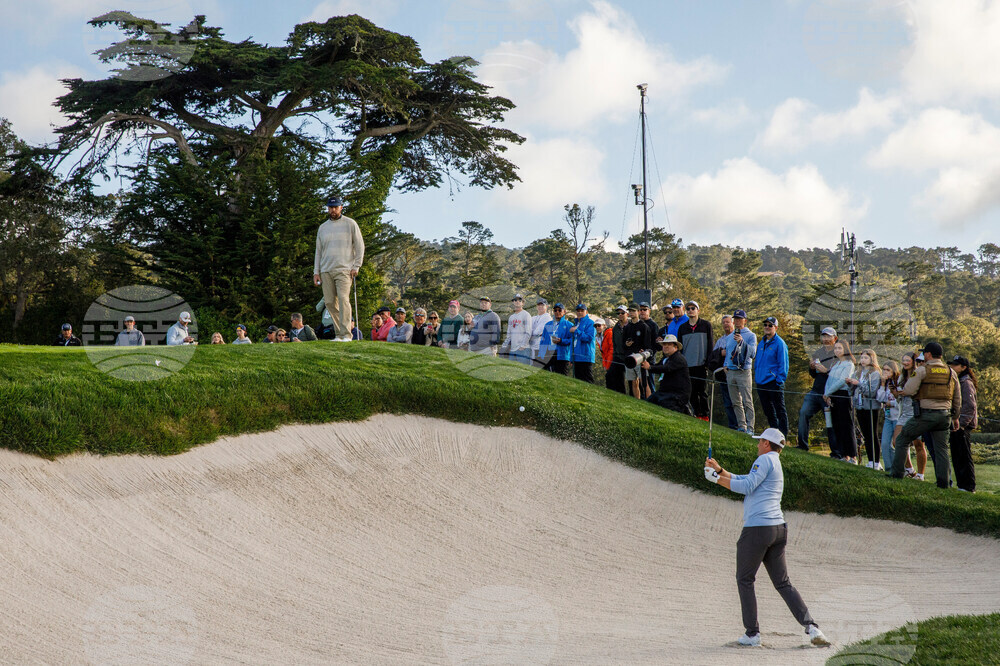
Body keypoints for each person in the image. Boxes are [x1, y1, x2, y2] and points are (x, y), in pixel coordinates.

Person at [704, 429, 830, 649]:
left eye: (759, 441)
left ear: (766, 443)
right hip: (778, 529)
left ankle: (752, 634)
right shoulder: (774, 461)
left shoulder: (763, 460)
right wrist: (721, 471)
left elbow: (746, 487)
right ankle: (812, 628)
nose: (757, 444)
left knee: (745, 579)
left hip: (757, 530)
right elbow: (747, 479)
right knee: (783, 583)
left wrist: (716, 480)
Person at [890, 342, 961, 489]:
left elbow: (909, 390)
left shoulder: (923, 369)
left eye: (925, 353)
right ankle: (944, 483)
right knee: (941, 449)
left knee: (902, 439)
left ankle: (897, 474)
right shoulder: (950, 371)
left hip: (926, 414)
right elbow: (957, 397)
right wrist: (955, 417)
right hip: (944, 416)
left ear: (928, 354)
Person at [313, 196, 365, 342]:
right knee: (329, 302)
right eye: (330, 207)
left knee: (343, 299)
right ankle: (339, 334)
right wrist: (316, 272)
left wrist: (357, 265)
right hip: (326, 270)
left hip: (344, 269)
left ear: (341, 207)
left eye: (336, 207)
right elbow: (318, 251)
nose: (333, 210)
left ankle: (347, 334)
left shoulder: (350, 223)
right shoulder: (322, 228)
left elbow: (360, 245)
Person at [797, 327, 839, 452]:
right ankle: (802, 445)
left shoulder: (838, 353)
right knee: (803, 413)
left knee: (831, 423)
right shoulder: (818, 353)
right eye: (823, 336)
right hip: (815, 391)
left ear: (835, 338)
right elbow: (814, 375)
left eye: (828, 337)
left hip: (831, 393)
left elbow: (840, 375)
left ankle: (836, 452)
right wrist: (811, 368)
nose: (825, 339)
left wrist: (826, 371)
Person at [676, 301, 713, 419]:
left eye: (693, 308)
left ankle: (705, 415)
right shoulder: (682, 328)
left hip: (701, 364)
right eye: (688, 309)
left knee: (703, 392)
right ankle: (696, 414)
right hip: (688, 365)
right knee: (691, 392)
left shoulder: (706, 325)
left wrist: (708, 362)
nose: (690, 310)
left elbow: (710, 345)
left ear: (698, 310)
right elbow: (680, 348)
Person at [846, 348, 882, 469]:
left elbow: (871, 392)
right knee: (866, 435)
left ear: (872, 359)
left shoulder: (876, 373)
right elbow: (851, 391)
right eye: (861, 357)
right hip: (860, 406)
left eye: (866, 357)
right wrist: (850, 384)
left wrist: (858, 384)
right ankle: (870, 460)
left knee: (872, 434)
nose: (863, 360)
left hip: (871, 407)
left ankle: (876, 462)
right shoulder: (858, 372)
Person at [893, 352, 926, 480]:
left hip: (916, 411)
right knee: (897, 441)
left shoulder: (918, 374)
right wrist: (894, 391)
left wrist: (907, 392)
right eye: (903, 360)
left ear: (913, 362)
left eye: (908, 360)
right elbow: (898, 397)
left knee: (918, 443)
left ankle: (920, 474)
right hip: (904, 411)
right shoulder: (901, 376)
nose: (905, 363)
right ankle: (909, 469)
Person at [824, 340, 858, 463]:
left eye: (840, 348)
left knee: (847, 425)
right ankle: (844, 454)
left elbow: (842, 381)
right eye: (836, 348)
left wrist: (828, 392)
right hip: (833, 396)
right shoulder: (836, 364)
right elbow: (829, 380)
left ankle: (852, 455)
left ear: (845, 349)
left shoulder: (849, 364)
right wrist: (826, 394)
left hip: (843, 395)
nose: (837, 350)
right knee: (837, 425)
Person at [947, 355, 978, 492]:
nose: (952, 367)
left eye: (955, 365)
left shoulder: (966, 383)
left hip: (962, 426)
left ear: (963, 367)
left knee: (964, 456)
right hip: (956, 425)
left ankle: (969, 486)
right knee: (957, 455)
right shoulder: (958, 380)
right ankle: (961, 485)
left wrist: (961, 424)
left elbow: (970, 406)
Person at [754, 316, 788, 436]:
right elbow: (758, 361)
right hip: (761, 382)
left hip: (774, 382)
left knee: (780, 410)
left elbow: (783, 364)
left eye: (770, 325)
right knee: (768, 411)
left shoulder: (780, 343)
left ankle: (783, 435)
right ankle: (774, 434)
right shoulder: (762, 342)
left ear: (776, 328)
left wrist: (779, 380)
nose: (767, 327)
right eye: (765, 325)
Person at [725, 309, 757, 434]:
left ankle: (750, 428)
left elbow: (753, 353)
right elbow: (728, 353)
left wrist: (742, 342)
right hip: (731, 371)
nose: (737, 321)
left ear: (745, 320)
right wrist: (725, 365)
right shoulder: (729, 337)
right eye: (736, 319)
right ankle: (741, 426)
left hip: (744, 371)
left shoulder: (750, 335)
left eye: (740, 319)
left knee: (747, 400)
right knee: (735, 402)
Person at [641, 335, 691, 414]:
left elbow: (666, 368)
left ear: (675, 347)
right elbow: (658, 367)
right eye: (664, 344)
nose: (666, 346)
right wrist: (645, 361)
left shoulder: (679, 358)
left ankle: (685, 409)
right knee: (649, 401)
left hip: (676, 395)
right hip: (664, 392)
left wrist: (650, 367)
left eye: (669, 344)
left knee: (664, 404)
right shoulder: (666, 358)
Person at [709, 314, 739, 430]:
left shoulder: (736, 337)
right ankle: (732, 425)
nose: (726, 324)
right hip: (723, 374)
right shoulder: (720, 341)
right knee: (727, 401)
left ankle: (741, 425)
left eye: (728, 322)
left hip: (735, 373)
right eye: (724, 322)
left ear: (732, 323)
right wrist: (721, 352)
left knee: (737, 401)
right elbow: (713, 355)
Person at [876, 361, 900, 470]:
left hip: (898, 418)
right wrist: (882, 384)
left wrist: (892, 403)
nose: (885, 372)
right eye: (883, 369)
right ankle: (889, 468)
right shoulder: (885, 384)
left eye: (888, 370)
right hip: (888, 417)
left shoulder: (899, 382)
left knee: (896, 444)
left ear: (894, 371)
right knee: (885, 444)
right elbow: (880, 398)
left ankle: (898, 468)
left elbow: (902, 402)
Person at [624, 305, 651, 399]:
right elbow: (624, 342)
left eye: (633, 311)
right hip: (630, 357)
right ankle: (637, 401)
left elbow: (648, 344)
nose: (631, 313)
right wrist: (627, 344)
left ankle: (649, 401)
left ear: (639, 312)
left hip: (640, 357)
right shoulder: (627, 327)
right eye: (630, 311)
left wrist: (644, 354)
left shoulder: (644, 326)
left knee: (644, 382)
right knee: (633, 382)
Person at [499, 294, 532, 364]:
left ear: (523, 303)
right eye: (515, 300)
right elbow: (509, 334)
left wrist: (522, 346)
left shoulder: (526, 315)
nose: (517, 301)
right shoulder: (511, 317)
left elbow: (528, 332)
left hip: (523, 349)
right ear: (513, 302)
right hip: (512, 350)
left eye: (520, 300)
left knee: (524, 371)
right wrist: (505, 346)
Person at [605, 305, 629, 394]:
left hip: (628, 356)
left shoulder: (631, 326)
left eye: (622, 313)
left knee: (632, 381)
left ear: (627, 314)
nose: (620, 315)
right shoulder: (615, 328)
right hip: (618, 356)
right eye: (618, 313)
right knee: (610, 376)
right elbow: (614, 343)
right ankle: (611, 395)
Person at [546, 303, 574, 375]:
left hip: (562, 355)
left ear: (564, 312)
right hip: (549, 354)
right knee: (547, 376)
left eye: (559, 310)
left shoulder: (569, 325)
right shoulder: (548, 324)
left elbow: (573, 340)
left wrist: (561, 340)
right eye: (555, 310)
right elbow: (543, 340)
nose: (557, 312)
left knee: (562, 378)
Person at [638, 302, 659, 395]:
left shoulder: (653, 325)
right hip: (638, 357)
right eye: (640, 309)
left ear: (649, 311)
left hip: (649, 358)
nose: (642, 312)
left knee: (650, 383)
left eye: (644, 309)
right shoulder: (637, 324)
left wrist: (650, 355)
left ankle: (653, 401)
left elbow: (656, 345)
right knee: (640, 383)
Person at [529, 298, 552, 367]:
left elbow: (537, 331)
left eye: (542, 305)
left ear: (547, 306)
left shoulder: (547, 317)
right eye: (539, 305)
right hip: (532, 345)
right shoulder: (534, 318)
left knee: (539, 367)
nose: (540, 307)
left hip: (541, 346)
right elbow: (527, 330)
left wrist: (532, 331)